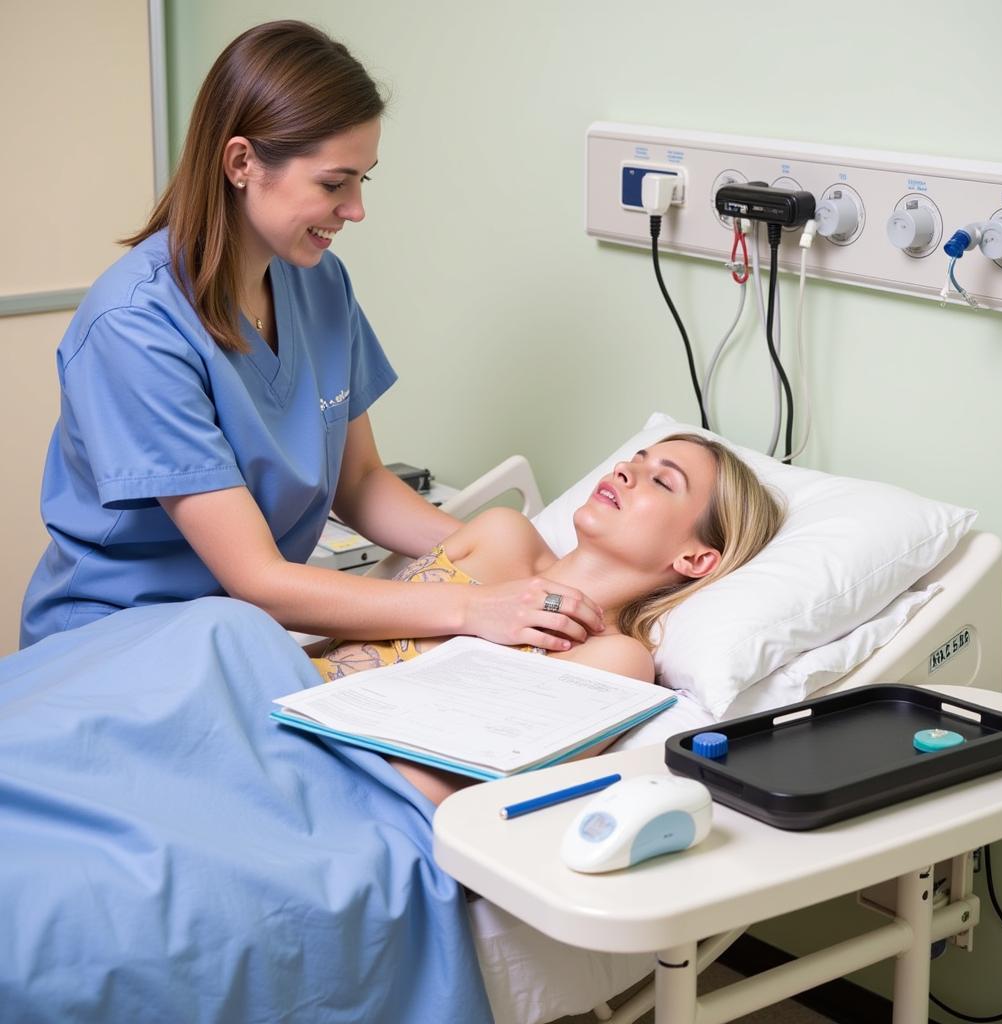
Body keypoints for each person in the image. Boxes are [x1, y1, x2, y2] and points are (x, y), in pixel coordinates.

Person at [19, 20, 603, 652]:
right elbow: (258, 580)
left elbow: (359, 484)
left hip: (242, 633)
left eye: (363, 180)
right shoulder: (136, 326)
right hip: (119, 641)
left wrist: (517, 559)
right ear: (242, 162)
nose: (355, 210)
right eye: (333, 183)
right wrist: (471, 605)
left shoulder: (318, 283)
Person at [312, 434, 785, 802]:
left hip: (340, 768)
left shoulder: (612, 655)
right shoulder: (501, 532)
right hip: (276, 690)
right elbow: (332, 639)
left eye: (662, 481)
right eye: (635, 460)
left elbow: (468, 779)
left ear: (695, 559)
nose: (625, 470)